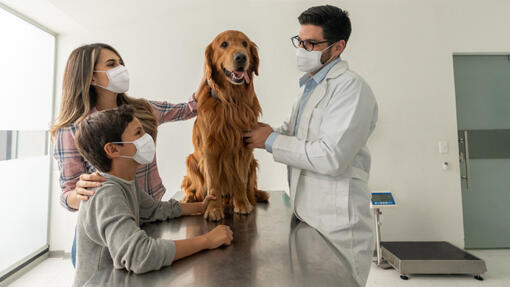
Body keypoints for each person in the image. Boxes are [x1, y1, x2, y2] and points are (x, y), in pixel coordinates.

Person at [244, 5, 378, 286]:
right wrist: (260, 131)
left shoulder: (352, 89)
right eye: (300, 41)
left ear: (338, 47)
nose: (302, 49)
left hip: (338, 225)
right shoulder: (309, 88)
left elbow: (331, 156)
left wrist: (270, 141)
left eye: (311, 44)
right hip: (306, 216)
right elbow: (294, 133)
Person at [50, 43, 205, 267]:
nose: (121, 68)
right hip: (107, 238)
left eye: (121, 62)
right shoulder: (71, 129)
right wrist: (79, 192)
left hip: (152, 219)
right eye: (112, 64)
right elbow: (68, 195)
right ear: (91, 77)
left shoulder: (141, 110)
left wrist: (210, 70)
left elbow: (190, 108)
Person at [71, 105, 233, 286]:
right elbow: (140, 255)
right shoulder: (106, 194)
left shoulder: (125, 182)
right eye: (138, 133)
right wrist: (206, 240)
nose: (146, 138)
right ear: (113, 149)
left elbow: (153, 209)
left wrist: (198, 206)